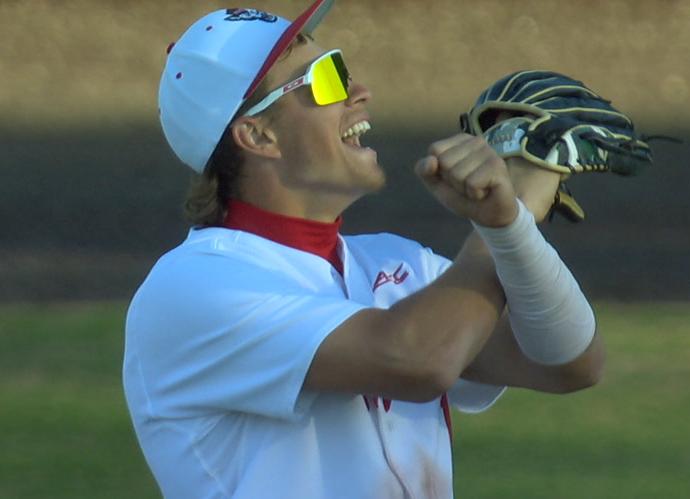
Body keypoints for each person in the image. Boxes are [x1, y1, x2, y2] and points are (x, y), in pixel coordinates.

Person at [123, 1, 604, 497]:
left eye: (342, 67)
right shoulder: (193, 286)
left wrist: (516, 233)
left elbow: (568, 364)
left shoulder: (397, 265)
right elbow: (417, 359)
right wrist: (502, 220)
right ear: (258, 134)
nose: (359, 91)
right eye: (326, 78)